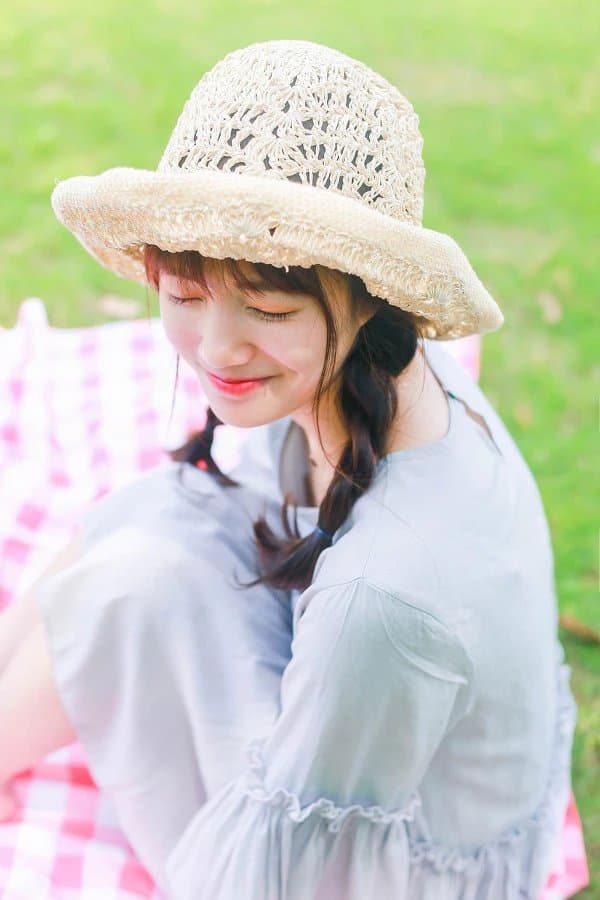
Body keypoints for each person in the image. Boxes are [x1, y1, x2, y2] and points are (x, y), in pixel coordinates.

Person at [0, 39, 577, 899]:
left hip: (390, 865)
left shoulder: (380, 598)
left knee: (136, 578)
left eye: (268, 310)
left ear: (371, 295)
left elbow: (292, 877)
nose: (215, 350)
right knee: (155, 518)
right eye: (184, 296)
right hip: (383, 754)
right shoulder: (389, 376)